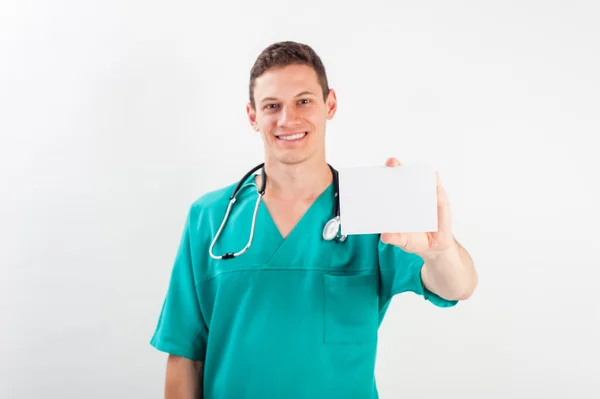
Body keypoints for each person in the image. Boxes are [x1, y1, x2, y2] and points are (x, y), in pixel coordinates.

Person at [150, 41, 478, 399]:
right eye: (272, 106)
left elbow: (456, 287)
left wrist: (440, 250)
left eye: (303, 101)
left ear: (330, 105)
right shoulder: (211, 218)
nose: (287, 119)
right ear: (252, 116)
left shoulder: (372, 210)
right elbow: (185, 356)